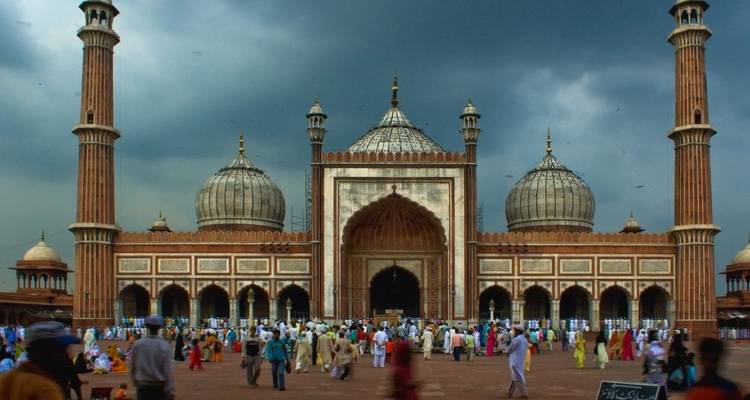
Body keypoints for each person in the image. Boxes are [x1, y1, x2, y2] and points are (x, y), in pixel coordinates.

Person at [0, 321, 80, 400]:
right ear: (46, 352)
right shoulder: (45, 389)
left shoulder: (10, 378)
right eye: (60, 350)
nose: (66, 354)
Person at [128, 315, 175, 400]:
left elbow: (132, 366)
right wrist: (170, 390)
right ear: (159, 328)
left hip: (142, 386)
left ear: (147, 327)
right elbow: (167, 370)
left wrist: (135, 382)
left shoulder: (138, 344)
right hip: (158, 387)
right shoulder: (164, 345)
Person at [643, 330, 667, 398]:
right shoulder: (657, 344)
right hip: (657, 368)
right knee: (659, 386)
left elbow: (647, 357)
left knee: (651, 386)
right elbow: (661, 358)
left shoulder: (649, 345)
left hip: (652, 368)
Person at [506, 325, 528, 398]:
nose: (514, 332)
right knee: (515, 376)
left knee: (516, 377)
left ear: (518, 331)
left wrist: (507, 351)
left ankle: (523, 393)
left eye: (515, 330)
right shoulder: (524, 339)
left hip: (514, 360)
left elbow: (510, 348)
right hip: (521, 360)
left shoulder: (516, 339)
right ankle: (509, 393)